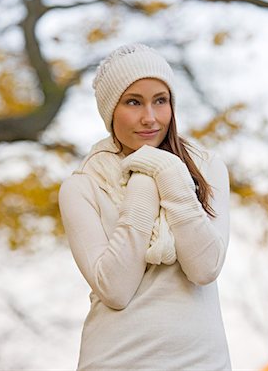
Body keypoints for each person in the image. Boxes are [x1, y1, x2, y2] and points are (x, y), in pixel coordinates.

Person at [58, 43, 232, 371]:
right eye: (133, 102)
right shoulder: (82, 185)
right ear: (111, 110)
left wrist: (170, 176)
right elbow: (116, 289)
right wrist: (143, 181)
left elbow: (205, 268)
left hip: (203, 361)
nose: (149, 118)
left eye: (160, 101)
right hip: (115, 360)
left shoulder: (207, 168)